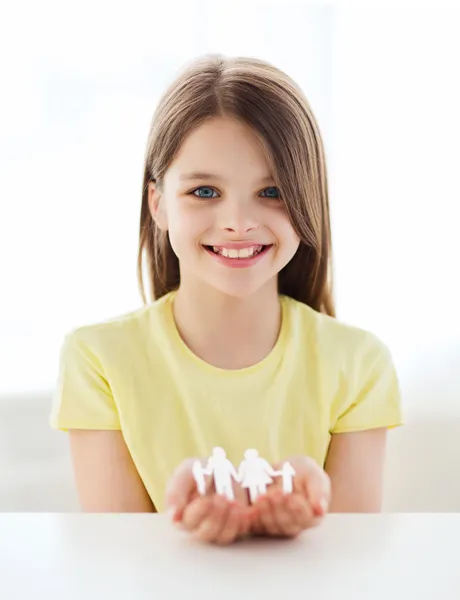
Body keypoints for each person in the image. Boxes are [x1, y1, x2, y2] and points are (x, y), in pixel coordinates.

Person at [50, 54, 403, 545]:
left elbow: (351, 563)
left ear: (309, 199)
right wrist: (183, 529)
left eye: (273, 190)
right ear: (158, 203)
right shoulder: (98, 360)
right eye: (206, 191)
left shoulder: (359, 363)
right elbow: (117, 562)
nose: (238, 221)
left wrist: (302, 527)